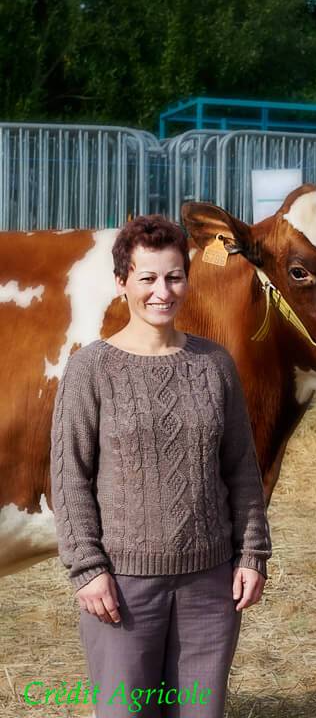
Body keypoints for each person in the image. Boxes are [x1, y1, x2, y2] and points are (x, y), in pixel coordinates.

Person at [51, 215, 271, 718]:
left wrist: (252, 554)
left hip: (210, 587)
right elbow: (69, 477)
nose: (162, 291)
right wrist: (87, 569)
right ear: (122, 281)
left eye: (174, 276)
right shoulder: (92, 369)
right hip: (123, 588)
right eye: (147, 278)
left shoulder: (215, 365)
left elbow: (241, 468)